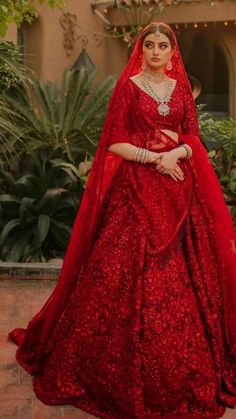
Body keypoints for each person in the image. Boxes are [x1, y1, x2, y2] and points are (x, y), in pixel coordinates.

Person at [9, 22, 236, 419]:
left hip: (180, 190)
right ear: (141, 49)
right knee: (121, 268)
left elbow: (193, 137)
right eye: (149, 44)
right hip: (135, 192)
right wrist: (153, 159)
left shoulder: (181, 87)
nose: (155, 51)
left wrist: (176, 156)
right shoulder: (129, 87)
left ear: (172, 51)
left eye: (163, 45)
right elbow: (113, 140)